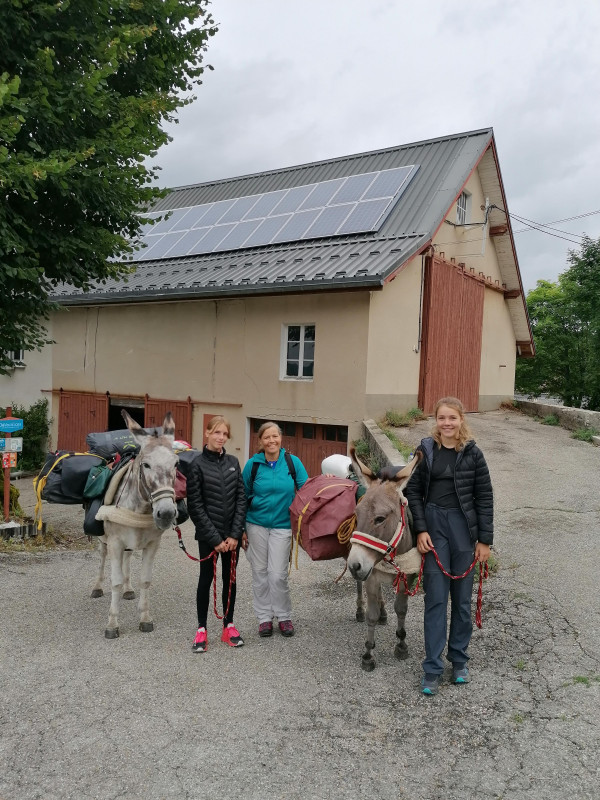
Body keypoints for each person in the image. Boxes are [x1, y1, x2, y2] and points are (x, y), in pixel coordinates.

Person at [404, 396, 493, 695]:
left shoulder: (473, 454)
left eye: (452, 418)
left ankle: (458, 660)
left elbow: (485, 497)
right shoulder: (425, 451)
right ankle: (432, 668)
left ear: (461, 420)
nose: (447, 423)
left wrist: (485, 541)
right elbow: (413, 492)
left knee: (463, 602)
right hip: (434, 528)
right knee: (436, 600)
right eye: (442, 418)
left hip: (464, 530)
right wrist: (421, 529)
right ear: (436, 421)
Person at [186, 416, 247, 653]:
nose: (221, 437)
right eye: (217, 433)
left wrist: (234, 534)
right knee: (206, 579)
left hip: (231, 538)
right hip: (208, 538)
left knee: (229, 580)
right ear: (207, 434)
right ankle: (201, 629)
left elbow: (241, 499)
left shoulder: (233, 462)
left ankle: (228, 625)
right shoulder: (197, 465)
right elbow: (196, 506)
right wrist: (215, 539)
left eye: (224, 434)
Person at [242, 422, 308, 638]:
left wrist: (325, 480)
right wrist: (241, 529)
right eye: (267, 437)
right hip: (255, 525)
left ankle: (283, 615)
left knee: (277, 575)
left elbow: (307, 490)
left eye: (275, 436)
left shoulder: (292, 462)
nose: (271, 441)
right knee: (260, 573)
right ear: (260, 441)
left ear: (281, 439)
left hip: (282, 526)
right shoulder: (252, 465)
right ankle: (263, 618)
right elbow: (241, 497)